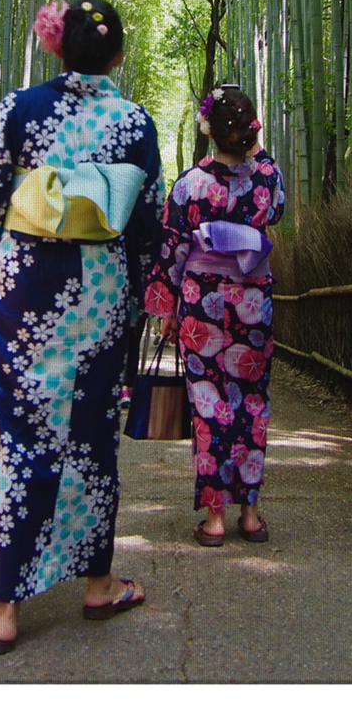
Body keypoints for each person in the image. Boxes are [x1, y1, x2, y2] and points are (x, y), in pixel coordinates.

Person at [0, 0, 164, 655]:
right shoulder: (134, 122)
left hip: (26, 290)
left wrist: (5, 248)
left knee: (17, 435)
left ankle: (2, 610)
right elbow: (146, 223)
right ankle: (98, 584)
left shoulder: (18, 108)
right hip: (99, 296)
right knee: (89, 434)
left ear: (55, 46)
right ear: (118, 55)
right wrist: (131, 296)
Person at [144, 86, 284, 547]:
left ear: (208, 129)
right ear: (250, 130)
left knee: (209, 407)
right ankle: (251, 512)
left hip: (202, 303)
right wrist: (255, 147)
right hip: (252, 302)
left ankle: (215, 518)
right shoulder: (265, 180)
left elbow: (173, 247)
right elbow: (277, 210)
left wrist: (166, 309)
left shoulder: (190, 183)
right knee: (252, 401)